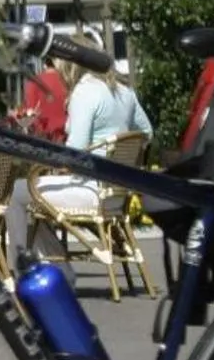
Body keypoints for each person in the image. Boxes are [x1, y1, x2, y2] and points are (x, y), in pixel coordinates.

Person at [8, 64, 152, 261]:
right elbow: (147, 133)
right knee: (32, 196)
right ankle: (56, 266)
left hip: (90, 190)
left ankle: (24, 268)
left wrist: (46, 158)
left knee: (16, 192)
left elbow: (73, 153)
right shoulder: (125, 92)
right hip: (116, 193)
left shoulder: (84, 92)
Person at [16, 58, 74, 143]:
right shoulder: (69, 82)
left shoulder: (34, 82)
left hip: (42, 136)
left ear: (45, 65)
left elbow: (29, 113)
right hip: (66, 135)